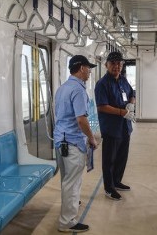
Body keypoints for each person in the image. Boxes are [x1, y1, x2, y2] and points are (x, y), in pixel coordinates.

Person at [53, 55, 99, 233]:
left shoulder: (62, 88)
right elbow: (81, 120)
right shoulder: (79, 90)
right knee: (72, 182)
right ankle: (67, 221)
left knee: (67, 180)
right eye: (88, 68)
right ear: (81, 68)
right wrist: (92, 138)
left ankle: (70, 206)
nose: (89, 71)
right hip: (73, 142)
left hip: (61, 140)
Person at [94, 51, 135, 201]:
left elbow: (132, 93)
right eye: (113, 63)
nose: (116, 66)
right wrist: (121, 112)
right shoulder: (102, 84)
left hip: (125, 127)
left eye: (119, 63)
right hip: (111, 128)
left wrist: (131, 103)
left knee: (122, 157)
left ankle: (117, 181)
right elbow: (102, 106)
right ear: (106, 65)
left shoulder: (123, 80)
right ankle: (109, 188)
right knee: (109, 160)